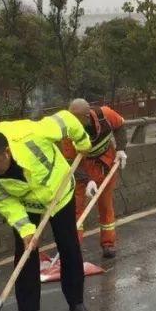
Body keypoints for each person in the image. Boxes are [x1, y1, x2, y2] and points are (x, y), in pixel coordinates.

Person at [0, 109, 93, 311]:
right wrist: (26, 230)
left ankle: (76, 301)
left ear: (7, 152)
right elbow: (6, 204)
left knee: (69, 246)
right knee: (26, 252)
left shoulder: (33, 134)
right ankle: (27, 309)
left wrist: (82, 141)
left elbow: (66, 119)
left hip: (59, 194)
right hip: (27, 203)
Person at [62, 98, 128, 258]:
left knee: (105, 204)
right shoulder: (68, 132)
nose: (74, 124)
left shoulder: (104, 114)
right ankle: (74, 249)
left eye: (77, 120)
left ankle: (108, 243)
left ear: (86, 116)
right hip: (81, 169)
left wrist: (121, 149)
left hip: (105, 163)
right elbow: (71, 163)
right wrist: (87, 180)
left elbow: (120, 127)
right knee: (76, 209)